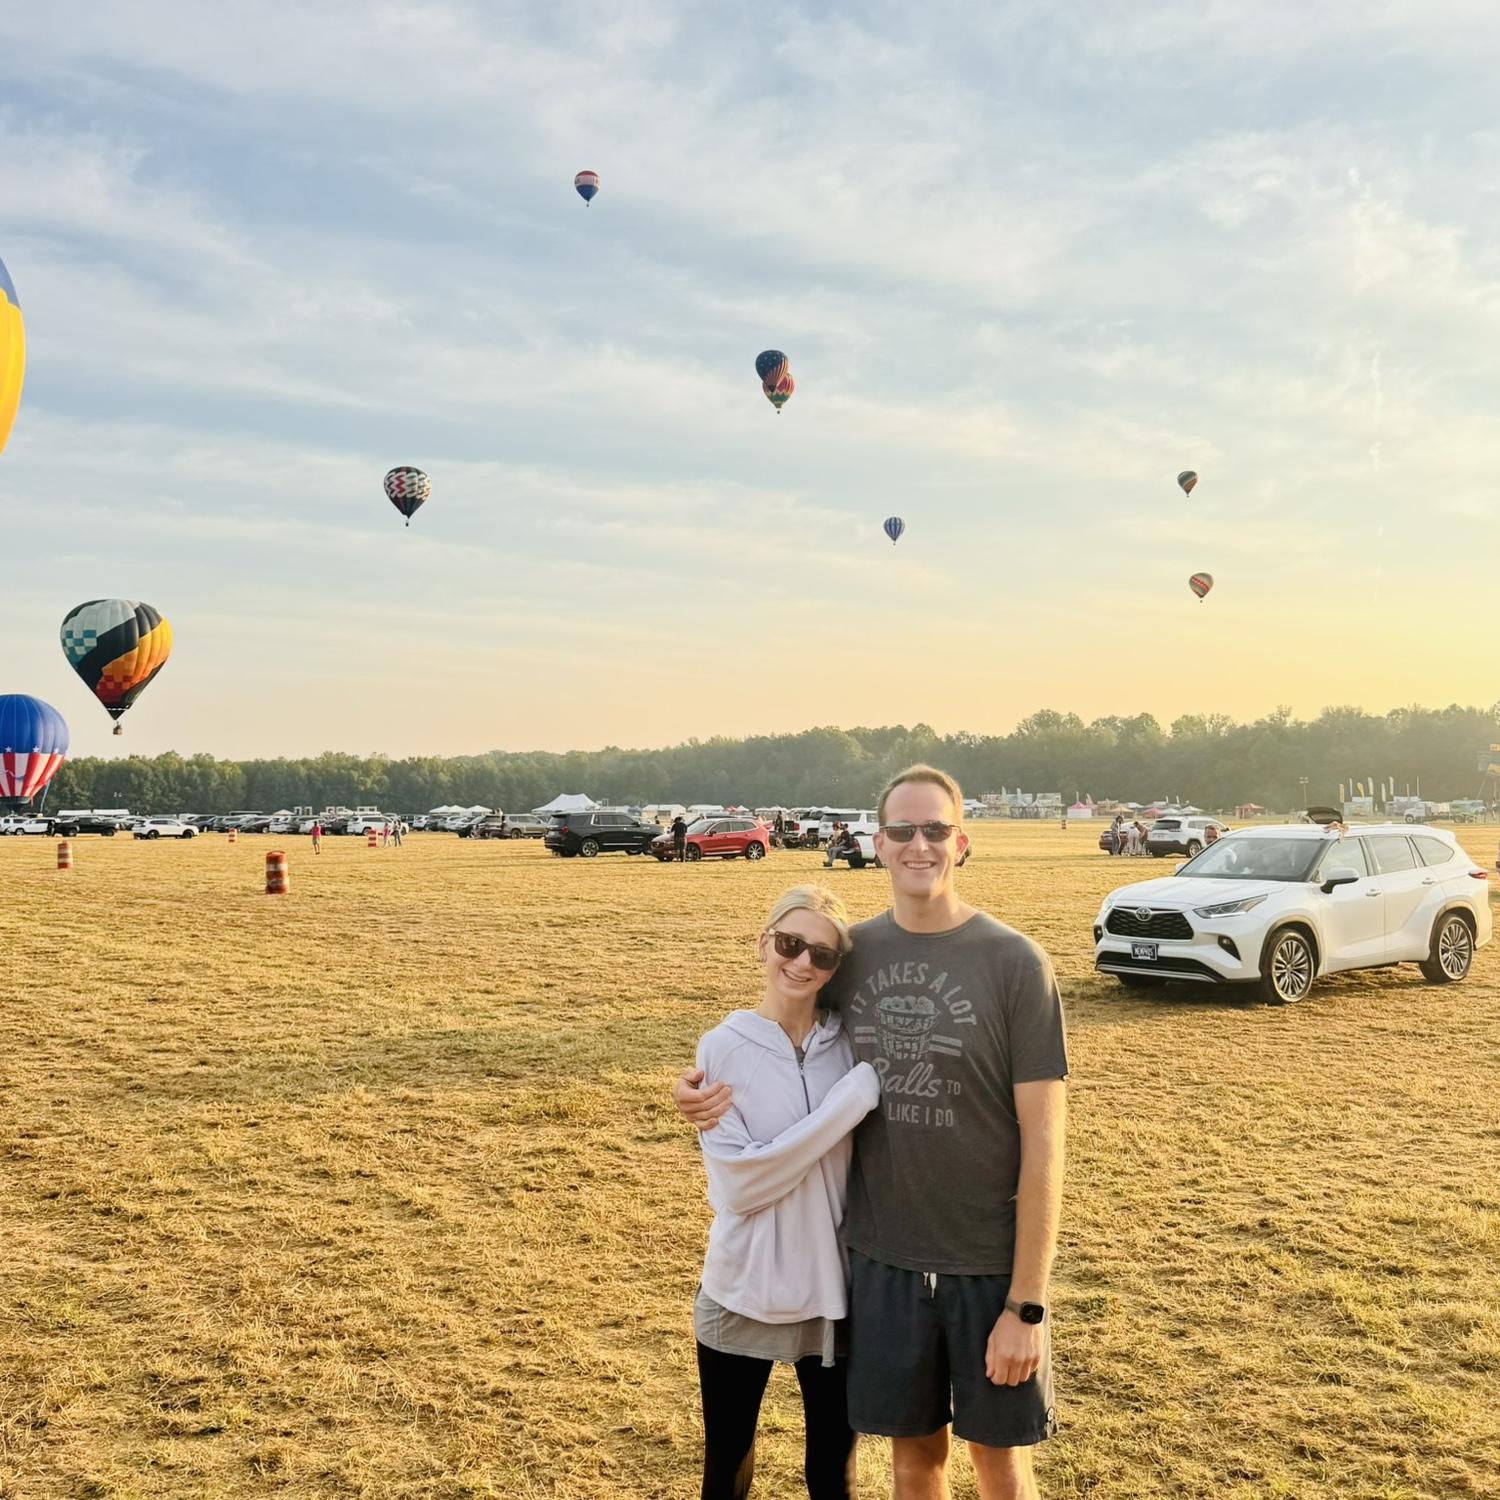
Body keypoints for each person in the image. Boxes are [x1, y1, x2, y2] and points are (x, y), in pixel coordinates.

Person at [677, 765, 1069, 1500]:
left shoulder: (1015, 962)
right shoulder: (852, 955)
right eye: (901, 830)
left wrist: (1027, 1302)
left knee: (999, 1460)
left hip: (986, 1263)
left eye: (935, 830)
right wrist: (693, 1084)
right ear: (878, 842)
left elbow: (1046, 1142)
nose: (918, 845)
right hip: (878, 1266)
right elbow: (779, 1018)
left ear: (961, 842)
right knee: (913, 1457)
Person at [693, 885, 881, 1499]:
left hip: (831, 1293)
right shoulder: (722, 1048)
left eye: (822, 956)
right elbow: (742, 1186)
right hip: (740, 1287)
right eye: (790, 944)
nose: (802, 963)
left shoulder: (853, 1045)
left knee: (833, 1476)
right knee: (727, 1469)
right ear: (763, 943)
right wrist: (849, 1103)